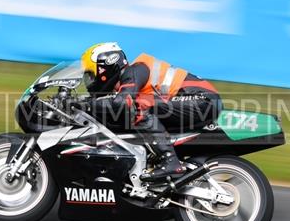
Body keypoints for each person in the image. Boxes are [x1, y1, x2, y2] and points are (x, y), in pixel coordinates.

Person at [80, 42, 222, 181]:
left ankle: (170, 161)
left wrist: (85, 104)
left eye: (91, 75)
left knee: (138, 105)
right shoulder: (126, 81)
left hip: (203, 100)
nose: (90, 82)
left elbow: (123, 102)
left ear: (106, 66)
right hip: (189, 103)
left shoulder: (135, 70)